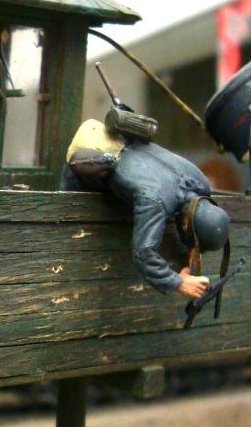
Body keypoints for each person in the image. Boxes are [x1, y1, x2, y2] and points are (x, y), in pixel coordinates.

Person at [62, 119, 231, 298]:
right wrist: (179, 282)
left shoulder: (201, 182)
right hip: (89, 153)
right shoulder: (155, 200)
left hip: (110, 136)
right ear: (186, 224)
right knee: (67, 215)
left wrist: (193, 249)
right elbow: (143, 254)